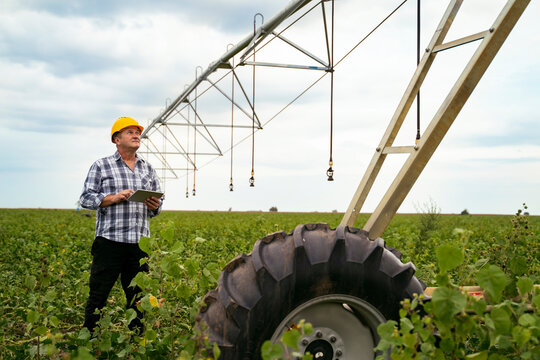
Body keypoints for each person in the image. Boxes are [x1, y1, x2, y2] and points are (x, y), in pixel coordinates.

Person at [79, 116, 163, 333]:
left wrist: (154, 204)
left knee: (138, 298)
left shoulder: (148, 168)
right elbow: (86, 199)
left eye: (138, 132)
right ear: (117, 139)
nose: (136, 135)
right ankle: (89, 341)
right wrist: (113, 198)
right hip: (109, 243)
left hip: (138, 246)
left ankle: (137, 343)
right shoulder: (101, 165)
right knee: (98, 295)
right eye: (130, 132)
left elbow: (157, 208)